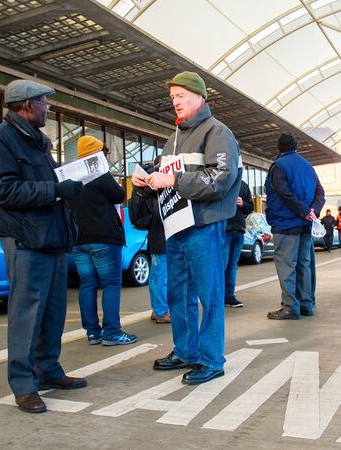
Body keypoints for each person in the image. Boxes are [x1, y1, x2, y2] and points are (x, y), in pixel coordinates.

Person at [0, 79, 85, 414]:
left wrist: (67, 185)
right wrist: (55, 190)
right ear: (27, 105)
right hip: (26, 240)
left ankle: (49, 369)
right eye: (44, 102)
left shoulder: (38, 143)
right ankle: (24, 385)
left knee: (53, 313)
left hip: (51, 239)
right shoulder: (0, 140)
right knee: (26, 316)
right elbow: (4, 191)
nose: (48, 108)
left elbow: (46, 184)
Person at [134, 71, 240, 385]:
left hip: (204, 225)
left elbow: (221, 176)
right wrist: (149, 178)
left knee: (208, 293)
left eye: (180, 96)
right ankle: (185, 350)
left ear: (198, 96)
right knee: (178, 292)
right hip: (177, 226)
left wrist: (174, 180)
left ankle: (210, 359)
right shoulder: (174, 137)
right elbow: (168, 175)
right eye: (172, 98)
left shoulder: (218, 133)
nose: (175, 102)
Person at [69, 136, 136, 346]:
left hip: (79, 240)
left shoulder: (70, 176)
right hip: (103, 238)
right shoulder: (98, 172)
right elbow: (119, 195)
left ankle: (92, 332)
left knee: (87, 284)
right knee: (110, 284)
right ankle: (112, 332)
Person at [265, 132, 325, 320]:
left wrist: (303, 211)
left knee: (286, 266)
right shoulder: (308, 166)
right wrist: (312, 211)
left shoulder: (278, 167)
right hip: (306, 225)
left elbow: (285, 193)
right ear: (296, 147)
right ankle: (306, 304)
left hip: (286, 224)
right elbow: (320, 192)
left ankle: (290, 307)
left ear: (279, 148)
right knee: (303, 265)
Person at [129, 158, 170, 324]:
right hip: (162, 235)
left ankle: (157, 309)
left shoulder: (144, 186)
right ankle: (161, 311)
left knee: (156, 275)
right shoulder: (158, 186)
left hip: (155, 236)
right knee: (161, 276)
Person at [224, 179, 254, 308]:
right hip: (224, 229)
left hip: (239, 229)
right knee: (224, 264)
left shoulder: (243, 185)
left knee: (231, 265)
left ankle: (229, 296)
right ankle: (223, 296)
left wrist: (243, 203)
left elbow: (251, 207)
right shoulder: (222, 180)